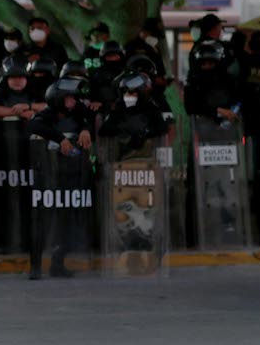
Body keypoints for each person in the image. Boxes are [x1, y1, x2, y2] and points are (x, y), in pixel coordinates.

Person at [27, 78, 95, 279]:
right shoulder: (48, 115)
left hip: (72, 178)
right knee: (42, 221)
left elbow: (90, 116)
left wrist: (85, 128)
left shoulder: (78, 112)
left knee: (66, 222)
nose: (74, 100)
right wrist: (61, 138)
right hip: (48, 179)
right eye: (69, 97)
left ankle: (58, 264)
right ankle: (35, 267)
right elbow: (34, 125)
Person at [98, 70, 168, 151]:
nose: (126, 95)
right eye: (124, 92)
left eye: (131, 92)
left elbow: (162, 129)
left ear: (141, 92)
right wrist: (123, 131)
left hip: (149, 157)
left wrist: (144, 133)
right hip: (121, 157)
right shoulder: (119, 109)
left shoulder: (151, 109)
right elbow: (104, 130)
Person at [184, 39, 241, 122]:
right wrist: (219, 111)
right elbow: (192, 107)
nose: (207, 67)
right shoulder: (193, 84)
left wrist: (233, 111)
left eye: (210, 63)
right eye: (203, 64)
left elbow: (238, 100)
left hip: (227, 129)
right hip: (201, 129)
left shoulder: (228, 81)